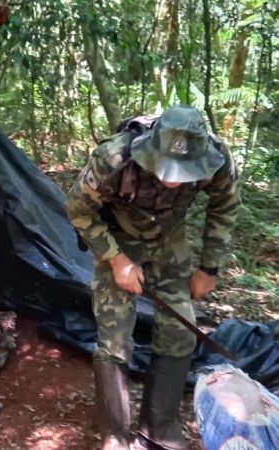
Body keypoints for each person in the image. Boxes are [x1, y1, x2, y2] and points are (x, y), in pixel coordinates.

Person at [65, 104, 241, 450]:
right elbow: (78, 208)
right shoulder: (115, 157)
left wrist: (209, 267)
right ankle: (115, 434)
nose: (173, 179)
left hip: (169, 240)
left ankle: (159, 426)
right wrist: (117, 260)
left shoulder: (217, 159)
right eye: (165, 167)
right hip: (117, 236)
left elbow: (225, 207)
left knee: (180, 329)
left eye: (183, 170)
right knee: (114, 336)